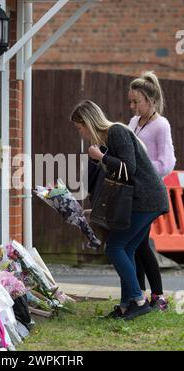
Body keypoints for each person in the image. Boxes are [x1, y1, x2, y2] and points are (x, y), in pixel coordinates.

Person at [70, 100, 169, 320]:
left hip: (147, 198)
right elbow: (112, 180)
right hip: (143, 199)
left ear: (88, 122)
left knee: (115, 247)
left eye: (80, 128)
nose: (81, 134)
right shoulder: (107, 139)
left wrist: (102, 157)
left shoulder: (116, 132)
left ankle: (139, 300)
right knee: (128, 248)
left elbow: (129, 168)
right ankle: (127, 305)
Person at [128, 71, 176, 310]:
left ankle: (156, 296)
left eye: (137, 101)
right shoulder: (134, 122)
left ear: (152, 101)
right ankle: (142, 295)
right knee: (137, 243)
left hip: (149, 193)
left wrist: (140, 170)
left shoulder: (161, 125)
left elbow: (167, 163)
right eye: (131, 101)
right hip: (134, 192)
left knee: (141, 243)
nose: (132, 106)